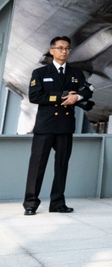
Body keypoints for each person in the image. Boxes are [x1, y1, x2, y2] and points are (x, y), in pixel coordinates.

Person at [23, 36, 93, 216]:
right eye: (60, 48)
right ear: (52, 50)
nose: (64, 51)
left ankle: (57, 203)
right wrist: (60, 96)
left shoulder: (76, 73)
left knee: (61, 165)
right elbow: (35, 96)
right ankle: (31, 203)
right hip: (45, 126)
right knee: (37, 166)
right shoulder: (40, 73)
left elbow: (87, 90)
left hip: (65, 126)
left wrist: (76, 97)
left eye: (67, 48)